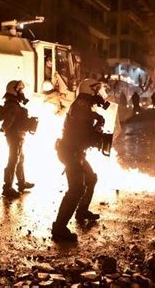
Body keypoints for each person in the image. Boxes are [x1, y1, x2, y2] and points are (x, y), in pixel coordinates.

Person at [52, 78, 108, 242]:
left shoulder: (85, 105)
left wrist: (98, 122)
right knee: (76, 190)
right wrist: (98, 133)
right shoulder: (82, 106)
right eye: (96, 90)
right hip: (71, 152)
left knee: (91, 179)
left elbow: (85, 130)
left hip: (76, 152)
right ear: (89, 90)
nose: (99, 93)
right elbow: (83, 133)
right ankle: (59, 228)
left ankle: (82, 211)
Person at [0, 80, 36, 198]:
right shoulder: (13, 105)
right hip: (15, 136)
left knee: (20, 159)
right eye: (20, 89)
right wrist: (5, 128)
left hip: (18, 135)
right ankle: (7, 187)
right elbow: (8, 121)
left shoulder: (13, 103)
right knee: (13, 160)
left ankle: (21, 183)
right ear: (14, 90)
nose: (22, 92)